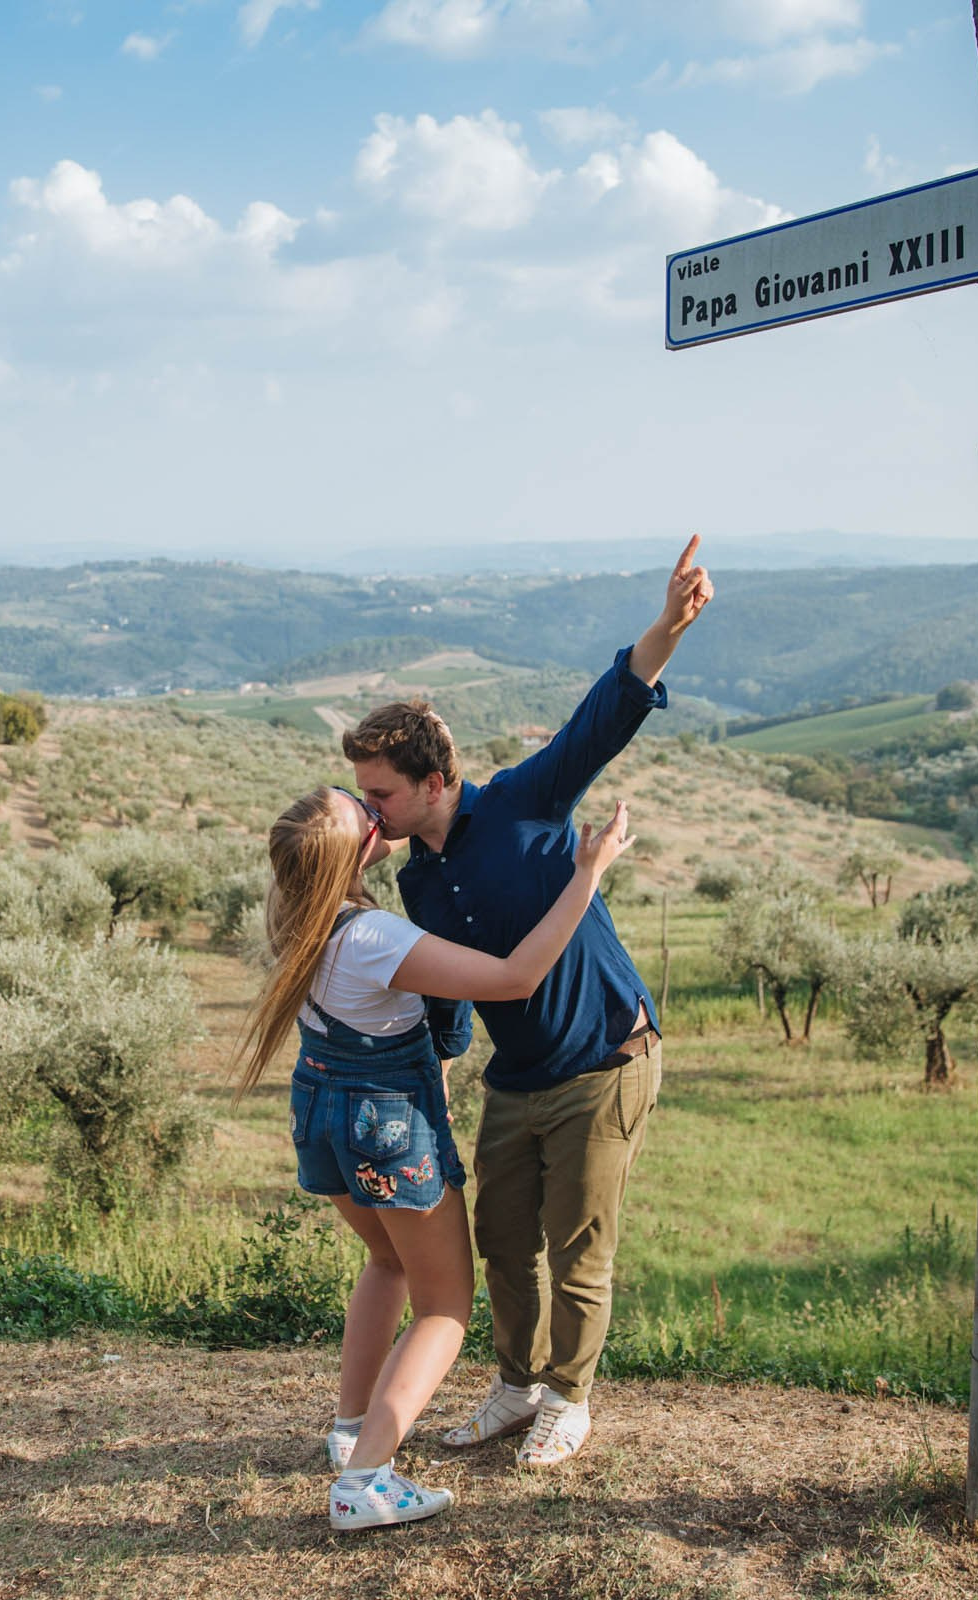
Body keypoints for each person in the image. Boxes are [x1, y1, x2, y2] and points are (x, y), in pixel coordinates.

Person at [344, 535, 713, 1469]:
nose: (371, 810)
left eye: (381, 795)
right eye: (363, 797)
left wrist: (665, 628)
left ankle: (569, 1399)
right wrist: (434, 1055)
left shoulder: (521, 801)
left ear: (435, 781)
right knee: (502, 1243)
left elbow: (606, 715)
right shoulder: (417, 883)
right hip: (518, 1078)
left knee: (577, 1246)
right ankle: (513, 1386)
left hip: (605, 1060)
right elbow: (444, 992)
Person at [233, 783, 631, 1531]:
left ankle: (351, 1427)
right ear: (352, 856)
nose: (374, 810)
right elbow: (517, 978)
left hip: (321, 1116)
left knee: (385, 1263)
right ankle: (366, 1478)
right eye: (363, 815)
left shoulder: (298, 920)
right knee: (445, 1305)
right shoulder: (375, 937)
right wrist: (588, 874)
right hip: (384, 1127)